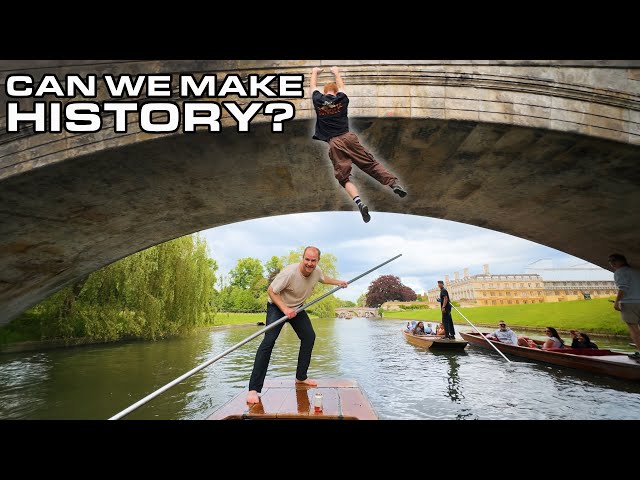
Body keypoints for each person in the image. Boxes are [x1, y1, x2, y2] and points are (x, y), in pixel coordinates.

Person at [246, 246, 348, 404]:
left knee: (309, 337)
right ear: (303, 258)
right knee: (268, 342)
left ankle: (301, 377)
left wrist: (339, 282)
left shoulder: (317, 271)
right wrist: (285, 309)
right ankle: (254, 389)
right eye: (307, 259)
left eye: (313, 260)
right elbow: (271, 291)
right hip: (277, 306)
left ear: (317, 261)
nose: (309, 263)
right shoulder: (290, 273)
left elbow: (324, 279)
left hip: (297, 308)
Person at [310, 66, 407, 224]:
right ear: (335, 92)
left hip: (334, 143)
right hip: (348, 138)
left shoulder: (318, 101)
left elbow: (312, 87)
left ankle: (359, 203)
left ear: (324, 91)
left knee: (344, 178)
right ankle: (393, 184)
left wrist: (314, 72)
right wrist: (336, 72)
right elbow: (342, 87)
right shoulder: (342, 99)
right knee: (370, 164)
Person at [609, 253, 640, 361]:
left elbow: (623, 288)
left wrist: (616, 302)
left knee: (634, 330)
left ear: (616, 262)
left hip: (629, 304)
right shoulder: (636, 271)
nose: (611, 264)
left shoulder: (619, 272)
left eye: (612, 262)